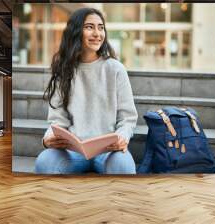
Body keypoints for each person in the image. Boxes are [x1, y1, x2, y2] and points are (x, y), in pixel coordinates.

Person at [35, 8, 138, 174]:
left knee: (123, 168)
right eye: (90, 27)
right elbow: (57, 121)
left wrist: (122, 138)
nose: (97, 33)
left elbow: (127, 118)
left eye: (101, 27)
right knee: (44, 163)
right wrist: (48, 140)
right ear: (76, 32)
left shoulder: (116, 69)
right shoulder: (64, 71)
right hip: (72, 152)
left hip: (108, 151)